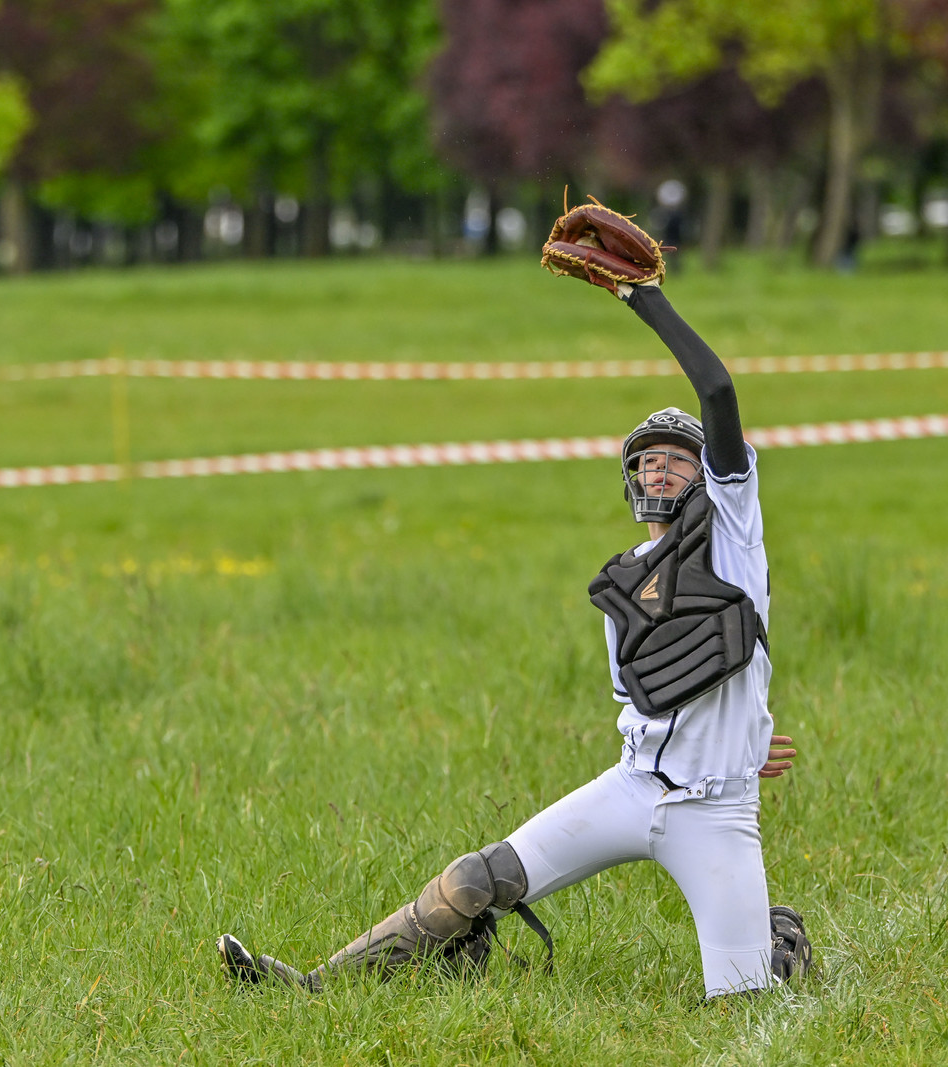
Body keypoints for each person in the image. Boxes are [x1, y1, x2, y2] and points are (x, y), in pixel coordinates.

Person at [217, 279, 812, 1000]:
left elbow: (716, 391)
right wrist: (748, 728)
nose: (660, 467)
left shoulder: (732, 540)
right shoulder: (621, 586)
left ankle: (778, 948)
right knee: (476, 877)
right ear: (628, 480)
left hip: (715, 808)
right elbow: (659, 700)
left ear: (707, 477)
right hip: (631, 785)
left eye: (677, 458)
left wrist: (642, 297)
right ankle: (312, 984)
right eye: (647, 459)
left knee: (746, 1006)